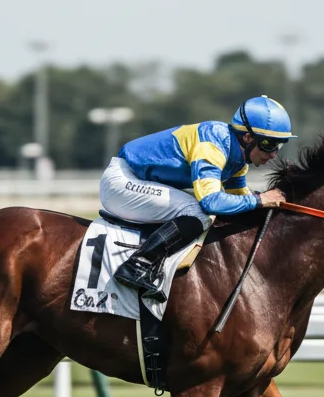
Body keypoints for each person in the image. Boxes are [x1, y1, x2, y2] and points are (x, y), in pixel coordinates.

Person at [100, 95, 294, 299]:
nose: (273, 154)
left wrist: (268, 203)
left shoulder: (237, 161)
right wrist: (260, 199)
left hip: (139, 181)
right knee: (198, 213)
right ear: (247, 138)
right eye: (269, 144)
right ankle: (137, 265)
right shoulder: (212, 144)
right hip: (122, 181)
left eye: (279, 146)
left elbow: (239, 199)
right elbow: (211, 201)